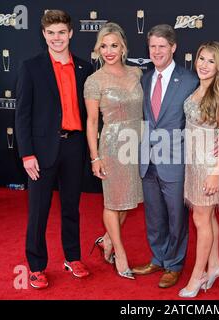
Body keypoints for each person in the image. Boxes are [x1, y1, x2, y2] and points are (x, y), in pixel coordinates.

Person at [15, 10, 92, 289]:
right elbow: (22, 114)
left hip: (74, 146)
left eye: (61, 32)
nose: (57, 38)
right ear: (44, 35)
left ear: (70, 33)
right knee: (38, 210)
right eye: (51, 33)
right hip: (42, 150)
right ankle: (36, 266)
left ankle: (73, 257)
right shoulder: (31, 67)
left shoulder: (85, 68)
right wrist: (26, 153)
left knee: (71, 207)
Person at [131, 24, 199, 288]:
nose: (157, 51)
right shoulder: (145, 78)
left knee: (176, 217)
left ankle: (174, 264)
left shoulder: (190, 80)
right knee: (154, 215)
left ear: (173, 47)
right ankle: (158, 258)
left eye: (162, 46)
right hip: (148, 160)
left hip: (175, 160)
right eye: (152, 47)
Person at [84, 22, 143, 280]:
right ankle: (120, 252)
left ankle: (107, 240)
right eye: (104, 46)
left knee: (127, 201)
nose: (109, 51)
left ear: (123, 48)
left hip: (136, 145)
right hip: (111, 146)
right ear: (98, 49)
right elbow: (92, 122)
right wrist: (95, 156)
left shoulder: (137, 73)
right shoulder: (94, 80)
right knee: (113, 201)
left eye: (114, 46)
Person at [178, 42, 219, 298]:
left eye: (211, 61)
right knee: (206, 218)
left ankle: (198, 275)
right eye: (201, 58)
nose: (204, 64)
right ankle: (215, 266)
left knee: (201, 219)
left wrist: (215, 172)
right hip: (193, 164)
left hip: (210, 167)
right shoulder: (197, 90)